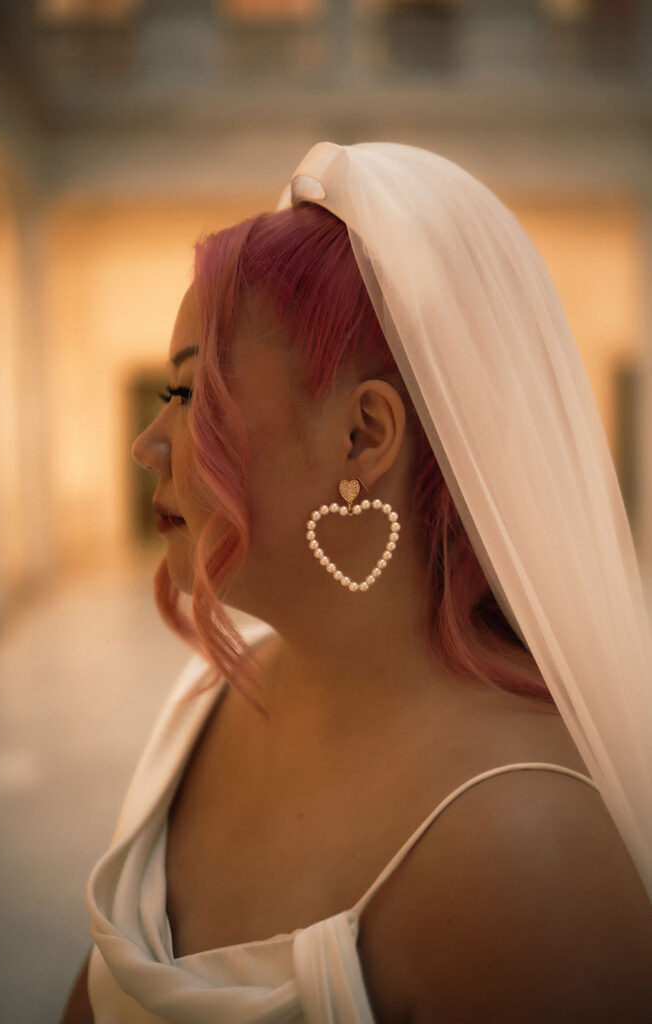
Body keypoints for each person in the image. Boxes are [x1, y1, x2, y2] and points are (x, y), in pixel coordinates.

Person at [61, 142, 652, 1023]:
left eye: (188, 395)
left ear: (363, 437)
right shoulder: (205, 703)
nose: (147, 445)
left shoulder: (529, 856)